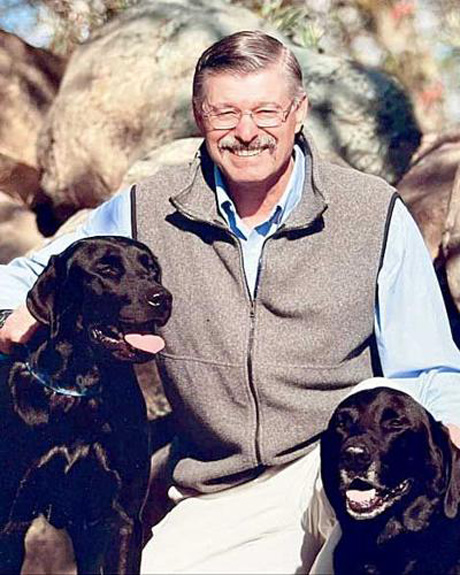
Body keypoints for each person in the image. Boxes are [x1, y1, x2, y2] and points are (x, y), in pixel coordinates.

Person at [1, 30, 460, 573]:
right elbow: (34, 273)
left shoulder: (373, 211)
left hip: (337, 464)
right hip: (222, 491)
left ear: (299, 112)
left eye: (266, 111)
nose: (246, 132)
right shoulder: (146, 208)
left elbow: (427, 366)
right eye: (226, 113)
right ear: (200, 116)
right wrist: (15, 312)